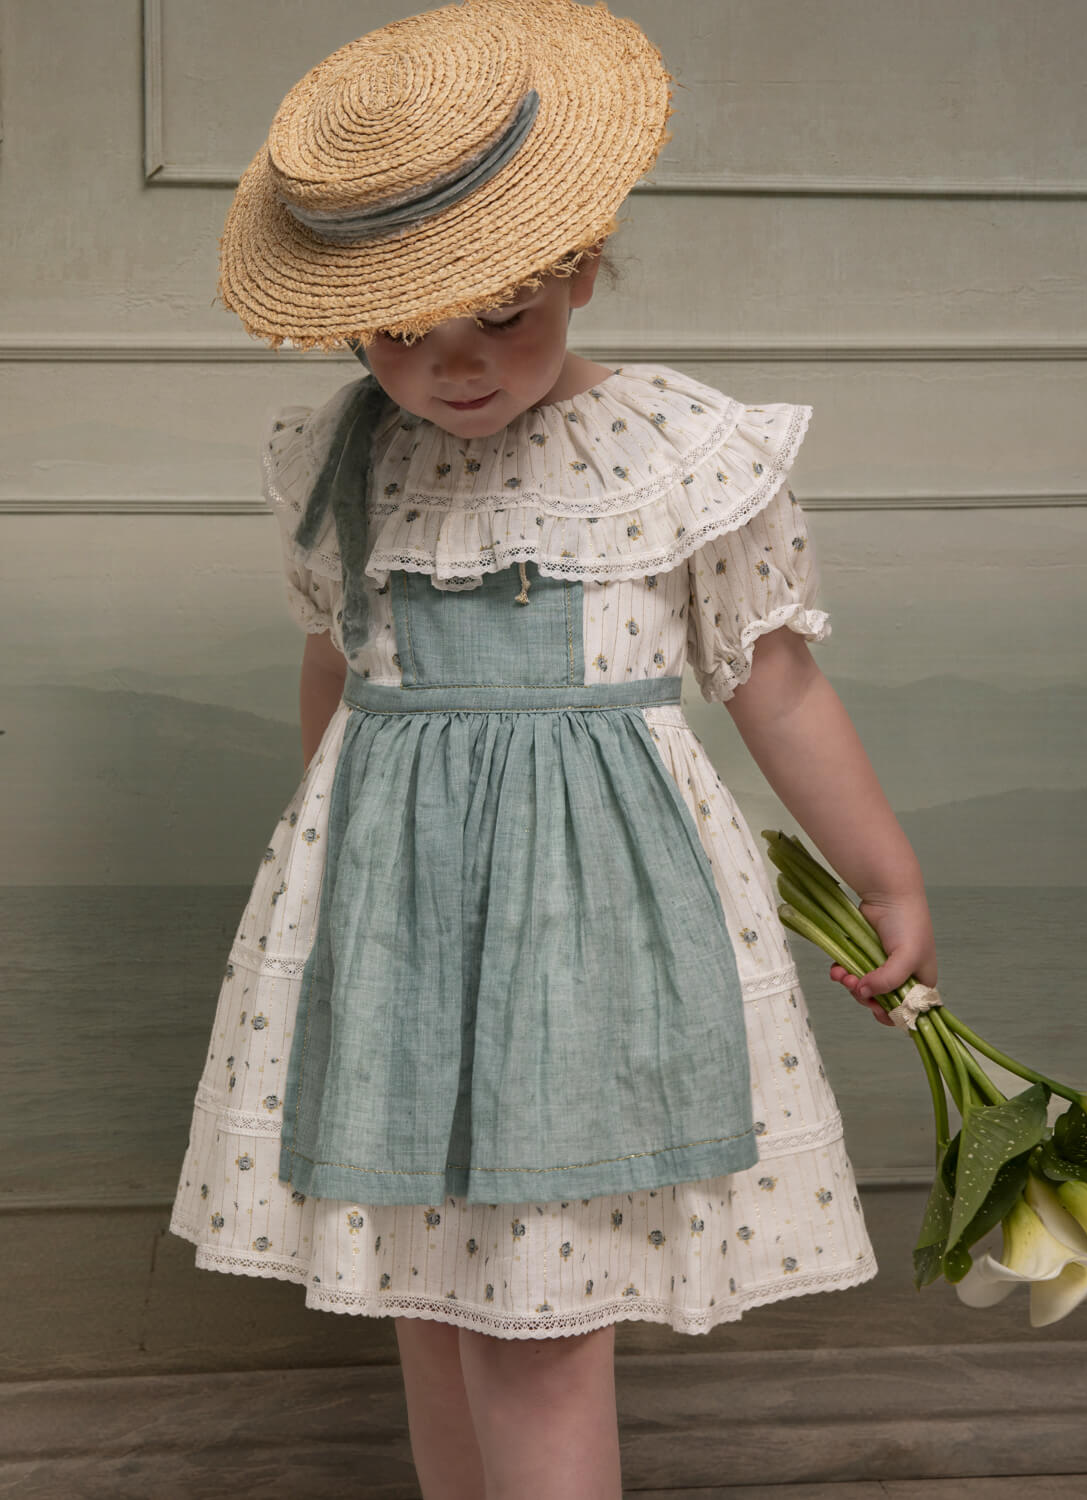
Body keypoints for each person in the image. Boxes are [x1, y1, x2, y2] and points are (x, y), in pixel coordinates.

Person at [168, 3, 937, 1496]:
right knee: (427, 1301)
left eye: (503, 318)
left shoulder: (662, 449)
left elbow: (770, 680)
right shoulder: (346, 454)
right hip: (392, 932)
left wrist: (885, 873)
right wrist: (326, 895)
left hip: (580, 935)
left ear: (582, 266)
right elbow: (338, 671)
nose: (455, 369)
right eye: (404, 333)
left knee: (534, 1324)